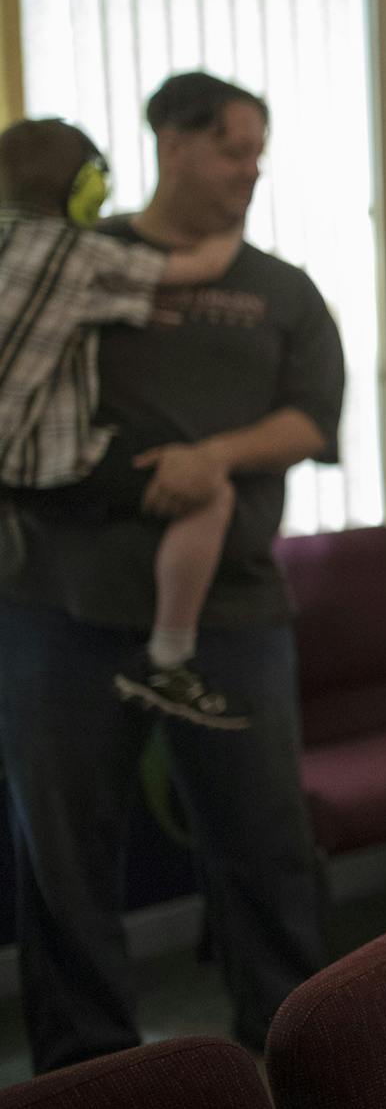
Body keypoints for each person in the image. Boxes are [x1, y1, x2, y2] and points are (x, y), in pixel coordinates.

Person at [0, 72, 343, 1072]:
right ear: (172, 142)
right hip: (60, 607)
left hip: (230, 613)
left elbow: (313, 421)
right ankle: (89, 1072)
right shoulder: (79, 257)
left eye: (259, 150)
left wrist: (215, 457)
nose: (252, 168)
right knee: (62, 859)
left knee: (266, 848)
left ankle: (292, 1060)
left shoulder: (283, 290)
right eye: (235, 147)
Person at [0, 119, 248, 729]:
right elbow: (202, 266)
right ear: (87, 192)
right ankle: (168, 661)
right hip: (36, 464)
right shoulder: (82, 256)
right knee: (208, 493)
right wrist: (234, 217)